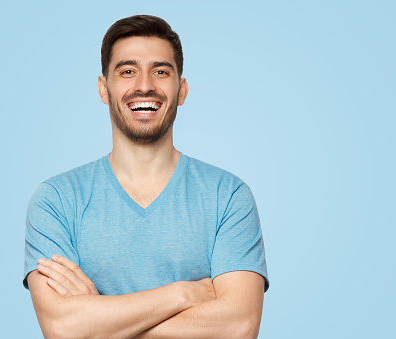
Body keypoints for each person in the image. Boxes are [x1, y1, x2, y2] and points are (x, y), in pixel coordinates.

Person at [23, 15, 269, 338]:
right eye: (127, 71)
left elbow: (238, 326)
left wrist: (101, 320)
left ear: (181, 90)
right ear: (103, 89)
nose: (144, 85)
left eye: (160, 71)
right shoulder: (56, 200)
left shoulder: (229, 196)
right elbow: (62, 328)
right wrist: (184, 294)